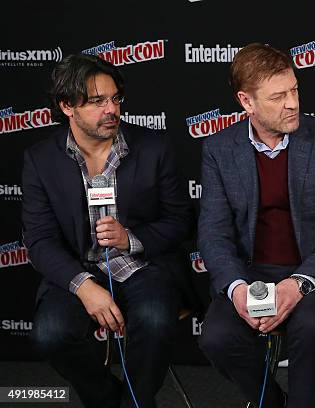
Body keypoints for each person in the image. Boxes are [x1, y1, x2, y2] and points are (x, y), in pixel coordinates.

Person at [197, 43, 315, 408]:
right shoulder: (218, 149)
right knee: (217, 338)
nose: (292, 103)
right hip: (250, 274)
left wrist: (300, 283)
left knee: (313, 328)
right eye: (278, 97)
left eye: (294, 90)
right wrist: (237, 289)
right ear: (247, 102)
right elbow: (213, 234)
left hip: (314, 272)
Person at [23, 54, 193, 408]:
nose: (112, 109)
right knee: (51, 335)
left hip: (142, 265)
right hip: (78, 269)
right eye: (98, 102)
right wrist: (84, 287)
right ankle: (106, 398)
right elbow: (39, 240)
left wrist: (131, 238)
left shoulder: (154, 148)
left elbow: (181, 221)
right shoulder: (41, 159)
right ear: (67, 106)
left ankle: (137, 402)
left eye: (115, 99)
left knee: (155, 320)